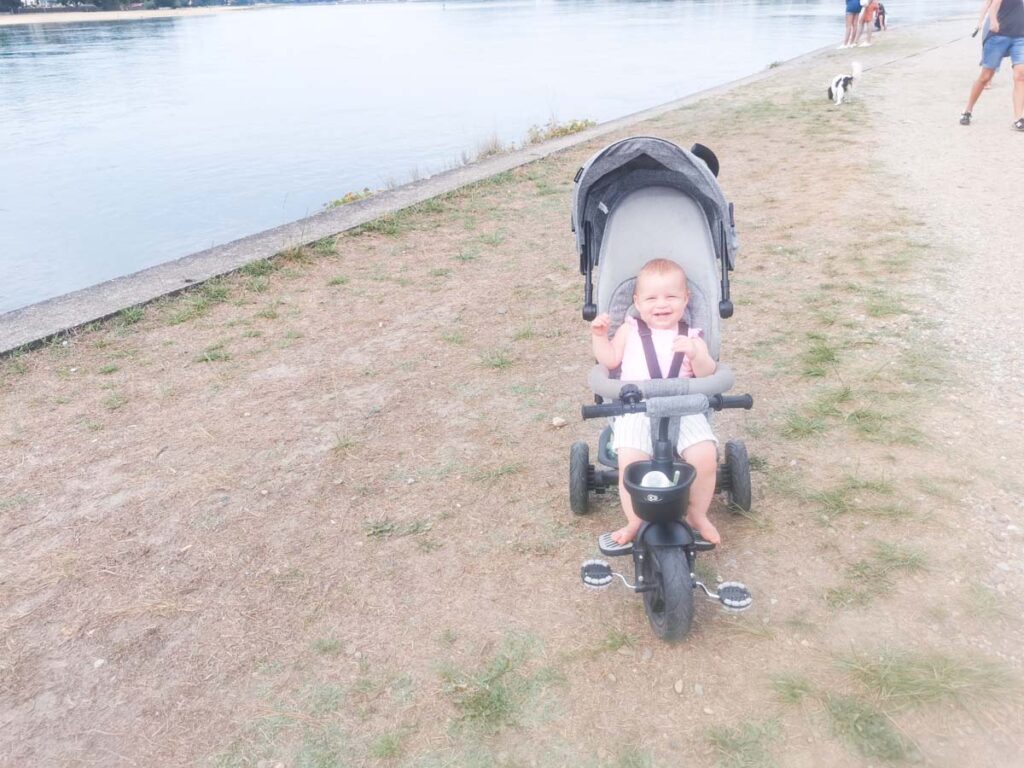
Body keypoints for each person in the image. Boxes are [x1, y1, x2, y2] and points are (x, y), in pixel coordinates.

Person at [590, 259, 721, 546]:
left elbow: (707, 373)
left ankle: (697, 513)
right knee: (630, 463)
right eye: (651, 298)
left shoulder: (692, 335)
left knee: (705, 456)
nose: (661, 304)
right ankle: (635, 520)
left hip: (684, 408)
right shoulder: (629, 329)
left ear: (686, 299)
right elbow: (610, 361)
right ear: (636, 302)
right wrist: (600, 337)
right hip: (635, 409)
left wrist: (695, 355)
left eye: (671, 296)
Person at [961, 0, 1024, 128]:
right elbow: (993, 4)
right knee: (985, 77)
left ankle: (1018, 119)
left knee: (1020, 75)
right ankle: (967, 110)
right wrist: (993, 21)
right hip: (998, 36)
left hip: (1019, 36)